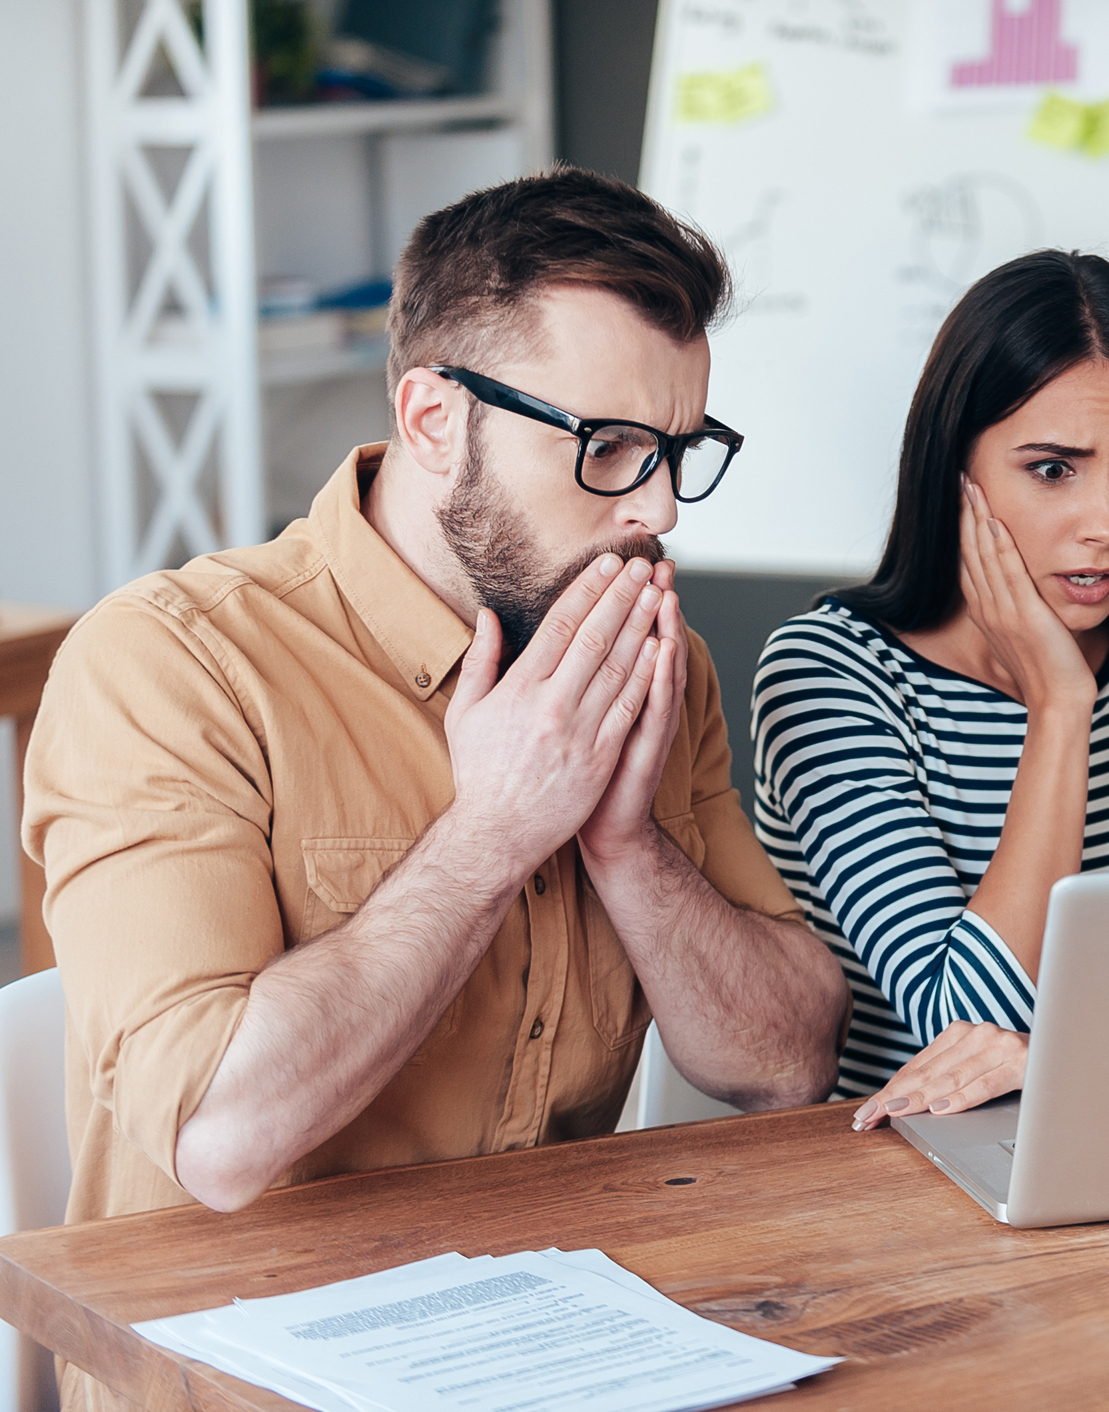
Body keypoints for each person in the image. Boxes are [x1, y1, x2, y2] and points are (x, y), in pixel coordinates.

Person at [23, 169, 849, 1359]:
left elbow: (784, 1063)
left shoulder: (647, 659)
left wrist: (624, 843)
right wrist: (498, 829)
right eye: (610, 446)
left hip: (552, 1345)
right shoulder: (170, 665)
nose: (660, 507)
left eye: (680, 447)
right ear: (432, 419)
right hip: (233, 1364)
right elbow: (220, 1130)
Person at [750, 250, 1109, 1125]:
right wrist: (1060, 707)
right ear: (957, 472)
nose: (1107, 525)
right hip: (892, 1169)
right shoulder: (828, 676)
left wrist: (1069, 1060)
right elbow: (963, 1024)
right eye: (1053, 468)